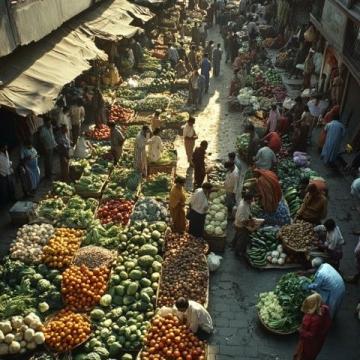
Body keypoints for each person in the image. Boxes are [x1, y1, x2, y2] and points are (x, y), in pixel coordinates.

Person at [293, 293, 332, 360]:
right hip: (316, 342)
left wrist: (301, 331)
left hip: (310, 344)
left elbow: (311, 335)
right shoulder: (324, 309)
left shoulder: (316, 319)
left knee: (303, 356)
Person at [233, 192, 254, 257]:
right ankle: (238, 252)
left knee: (238, 236)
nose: (252, 201)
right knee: (241, 240)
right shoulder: (242, 207)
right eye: (251, 200)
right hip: (240, 225)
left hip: (241, 223)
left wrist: (250, 217)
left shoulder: (246, 203)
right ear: (248, 199)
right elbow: (242, 220)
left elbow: (248, 212)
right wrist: (250, 224)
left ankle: (234, 245)